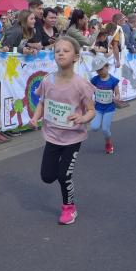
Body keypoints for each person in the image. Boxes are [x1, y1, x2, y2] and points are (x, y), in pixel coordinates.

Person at [29, 35, 95, 225]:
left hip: (72, 138)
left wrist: (82, 118)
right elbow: (42, 103)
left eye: (66, 51)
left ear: (76, 57)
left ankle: (69, 208)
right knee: (47, 176)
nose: (61, 54)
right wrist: (35, 117)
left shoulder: (81, 85)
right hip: (52, 136)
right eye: (57, 51)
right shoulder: (47, 80)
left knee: (64, 175)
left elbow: (91, 111)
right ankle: (60, 176)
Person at [89, 56, 120, 154]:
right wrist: (91, 99)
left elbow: (118, 94)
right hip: (98, 108)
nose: (99, 72)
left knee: (105, 130)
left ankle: (108, 143)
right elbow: (90, 90)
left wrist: (116, 98)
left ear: (107, 67)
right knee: (94, 127)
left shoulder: (113, 80)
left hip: (109, 108)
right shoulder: (95, 80)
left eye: (101, 69)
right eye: (97, 70)